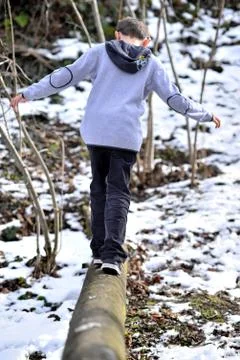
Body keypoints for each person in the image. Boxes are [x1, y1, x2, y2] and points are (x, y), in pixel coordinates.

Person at [11, 17, 221, 276]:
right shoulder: (151, 63)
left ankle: (99, 251)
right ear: (146, 42)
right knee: (118, 191)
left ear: (118, 35)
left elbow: (65, 76)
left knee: (99, 188)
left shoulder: (99, 53)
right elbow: (174, 99)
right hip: (124, 134)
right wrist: (205, 114)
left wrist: (28, 93)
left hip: (97, 131)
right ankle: (112, 255)